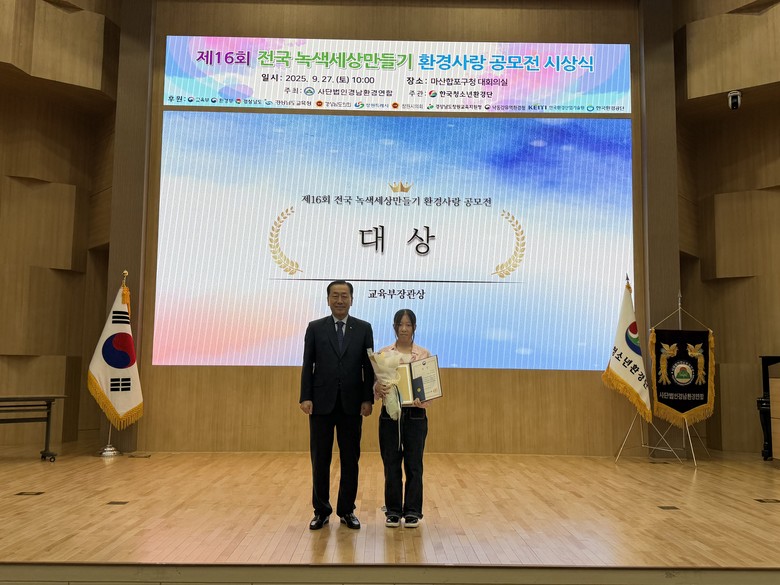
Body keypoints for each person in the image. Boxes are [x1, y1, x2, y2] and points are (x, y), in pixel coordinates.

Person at [300, 280, 375, 530]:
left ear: (352, 300)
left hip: (352, 405)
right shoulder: (315, 328)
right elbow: (308, 364)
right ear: (328, 299)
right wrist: (305, 396)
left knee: (350, 459)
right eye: (335, 296)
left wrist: (367, 399)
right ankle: (321, 511)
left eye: (344, 296)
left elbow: (368, 367)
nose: (340, 300)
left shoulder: (363, 328)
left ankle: (347, 510)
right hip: (321, 403)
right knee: (320, 459)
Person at [374, 309, 431, 528]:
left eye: (408, 324)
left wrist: (422, 398)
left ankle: (413, 511)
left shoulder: (423, 354)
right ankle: (393, 511)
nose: (404, 328)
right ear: (394, 327)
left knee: (414, 464)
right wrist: (377, 388)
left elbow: (429, 389)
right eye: (400, 324)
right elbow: (375, 386)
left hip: (415, 414)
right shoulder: (383, 354)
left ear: (414, 328)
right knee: (391, 463)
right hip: (390, 415)